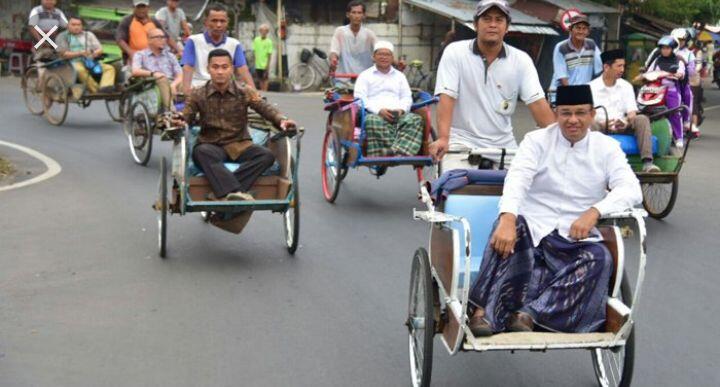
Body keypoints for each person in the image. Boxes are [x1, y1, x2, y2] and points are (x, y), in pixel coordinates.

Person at [467, 85, 642, 337]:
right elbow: (517, 179)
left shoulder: (607, 148)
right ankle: (485, 313)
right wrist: (507, 216)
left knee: (601, 258)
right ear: (555, 113)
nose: (573, 120)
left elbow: (631, 189)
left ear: (592, 114)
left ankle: (531, 313)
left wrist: (595, 211)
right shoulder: (536, 141)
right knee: (508, 228)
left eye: (580, 113)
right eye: (566, 113)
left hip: (574, 238)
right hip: (532, 230)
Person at [430, 0, 555, 170]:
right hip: (461, 141)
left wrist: (559, 141)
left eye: (499, 20)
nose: (493, 25)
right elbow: (447, 97)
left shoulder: (521, 60)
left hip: (504, 143)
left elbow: (538, 103)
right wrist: (444, 138)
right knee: (454, 191)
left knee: (528, 187)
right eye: (487, 19)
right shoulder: (455, 52)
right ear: (475, 24)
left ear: (507, 26)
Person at [177, 49, 296, 201]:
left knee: (266, 156)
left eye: (224, 67)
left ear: (231, 69)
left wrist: (282, 120)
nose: (220, 71)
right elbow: (187, 115)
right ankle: (237, 192)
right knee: (200, 153)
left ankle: (224, 192)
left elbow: (264, 108)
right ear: (208, 69)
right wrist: (179, 120)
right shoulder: (198, 94)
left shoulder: (245, 91)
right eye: (215, 67)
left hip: (240, 145)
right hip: (211, 145)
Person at [590, 49, 660, 173]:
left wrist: (626, 122)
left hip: (622, 125)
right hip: (600, 127)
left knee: (641, 119)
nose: (622, 70)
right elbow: (587, 114)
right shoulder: (591, 87)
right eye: (619, 66)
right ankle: (591, 163)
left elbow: (632, 112)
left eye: (623, 66)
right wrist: (602, 123)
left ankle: (648, 163)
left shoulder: (626, 86)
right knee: (590, 122)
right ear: (606, 67)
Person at [354, 41, 423, 157]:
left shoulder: (400, 76)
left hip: (398, 114)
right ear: (373, 57)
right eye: (380, 54)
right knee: (371, 121)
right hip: (375, 114)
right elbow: (359, 99)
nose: (384, 57)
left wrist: (401, 110)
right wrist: (379, 111)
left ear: (392, 58)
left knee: (416, 119)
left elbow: (406, 97)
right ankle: (401, 148)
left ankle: (394, 150)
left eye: (387, 55)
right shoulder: (365, 76)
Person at [181, 2, 255, 91]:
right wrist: (186, 94)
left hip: (225, 89)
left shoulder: (235, 44)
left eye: (222, 21)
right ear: (206, 22)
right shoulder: (193, 41)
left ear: (227, 22)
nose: (218, 25)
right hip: (199, 88)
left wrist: (255, 95)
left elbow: (243, 70)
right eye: (214, 21)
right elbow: (187, 69)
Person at [549, 14, 602, 103]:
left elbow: (602, 67)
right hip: (560, 94)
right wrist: (574, 97)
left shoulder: (591, 45)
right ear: (570, 29)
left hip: (581, 95)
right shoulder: (561, 47)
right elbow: (563, 78)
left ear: (588, 32)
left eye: (584, 28)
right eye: (578, 28)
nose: (581, 31)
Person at [643, 36, 686, 148]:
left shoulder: (678, 61)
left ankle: (679, 137)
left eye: (667, 48)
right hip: (656, 90)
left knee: (675, 112)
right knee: (647, 110)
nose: (664, 50)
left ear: (672, 49)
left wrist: (677, 74)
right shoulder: (657, 60)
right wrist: (646, 75)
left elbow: (681, 73)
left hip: (671, 90)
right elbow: (649, 72)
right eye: (662, 48)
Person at [56, 15, 116, 94]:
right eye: (73, 25)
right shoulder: (62, 36)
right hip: (71, 63)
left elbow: (99, 49)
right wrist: (80, 53)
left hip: (90, 61)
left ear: (82, 26)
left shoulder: (89, 35)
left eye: (78, 25)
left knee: (109, 68)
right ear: (67, 25)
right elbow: (63, 54)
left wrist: (95, 53)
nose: (76, 27)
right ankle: (95, 89)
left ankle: (104, 88)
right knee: (79, 70)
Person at [131, 28, 183, 112]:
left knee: (186, 82)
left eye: (163, 37)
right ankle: (169, 111)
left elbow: (180, 74)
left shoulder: (170, 56)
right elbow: (135, 71)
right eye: (159, 37)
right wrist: (153, 74)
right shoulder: (140, 55)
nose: (163, 40)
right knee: (162, 79)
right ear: (149, 40)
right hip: (152, 83)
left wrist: (173, 85)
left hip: (171, 82)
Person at [116, 0, 180, 64]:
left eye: (143, 7)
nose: (141, 10)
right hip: (134, 59)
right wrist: (131, 53)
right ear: (133, 7)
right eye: (138, 7)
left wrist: (179, 50)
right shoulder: (127, 21)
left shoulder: (154, 21)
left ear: (148, 7)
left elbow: (167, 37)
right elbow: (120, 40)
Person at [329, 1, 377, 78]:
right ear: (348, 14)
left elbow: (380, 51)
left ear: (364, 15)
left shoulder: (369, 34)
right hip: (343, 78)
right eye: (353, 12)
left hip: (365, 79)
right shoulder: (340, 32)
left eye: (359, 13)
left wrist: (396, 63)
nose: (356, 16)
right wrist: (333, 60)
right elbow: (334, 51)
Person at [671, 28, 696, 134]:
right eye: (677, 39)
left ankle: (686, 121)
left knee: (688, 94)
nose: (679, 41)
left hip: (681, 82)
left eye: (682, 39)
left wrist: (684, 62)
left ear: (686, 41)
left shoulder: (689, 54)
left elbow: (691, 72)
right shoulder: (667, 49)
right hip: (666, 80)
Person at [252, 24, 274, 91]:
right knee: (260, 79)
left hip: (265, 64)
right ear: (260, 31)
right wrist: (254, 63)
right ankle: (262, 92)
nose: (263, 32)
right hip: (258, 64)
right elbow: (254, 52)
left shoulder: (269, 41)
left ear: (267, 32)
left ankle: (266, 92)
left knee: (265, 79)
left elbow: (269, 55)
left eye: (265, 31)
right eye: (262, 30)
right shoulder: (256, 40)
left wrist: (267, 66)